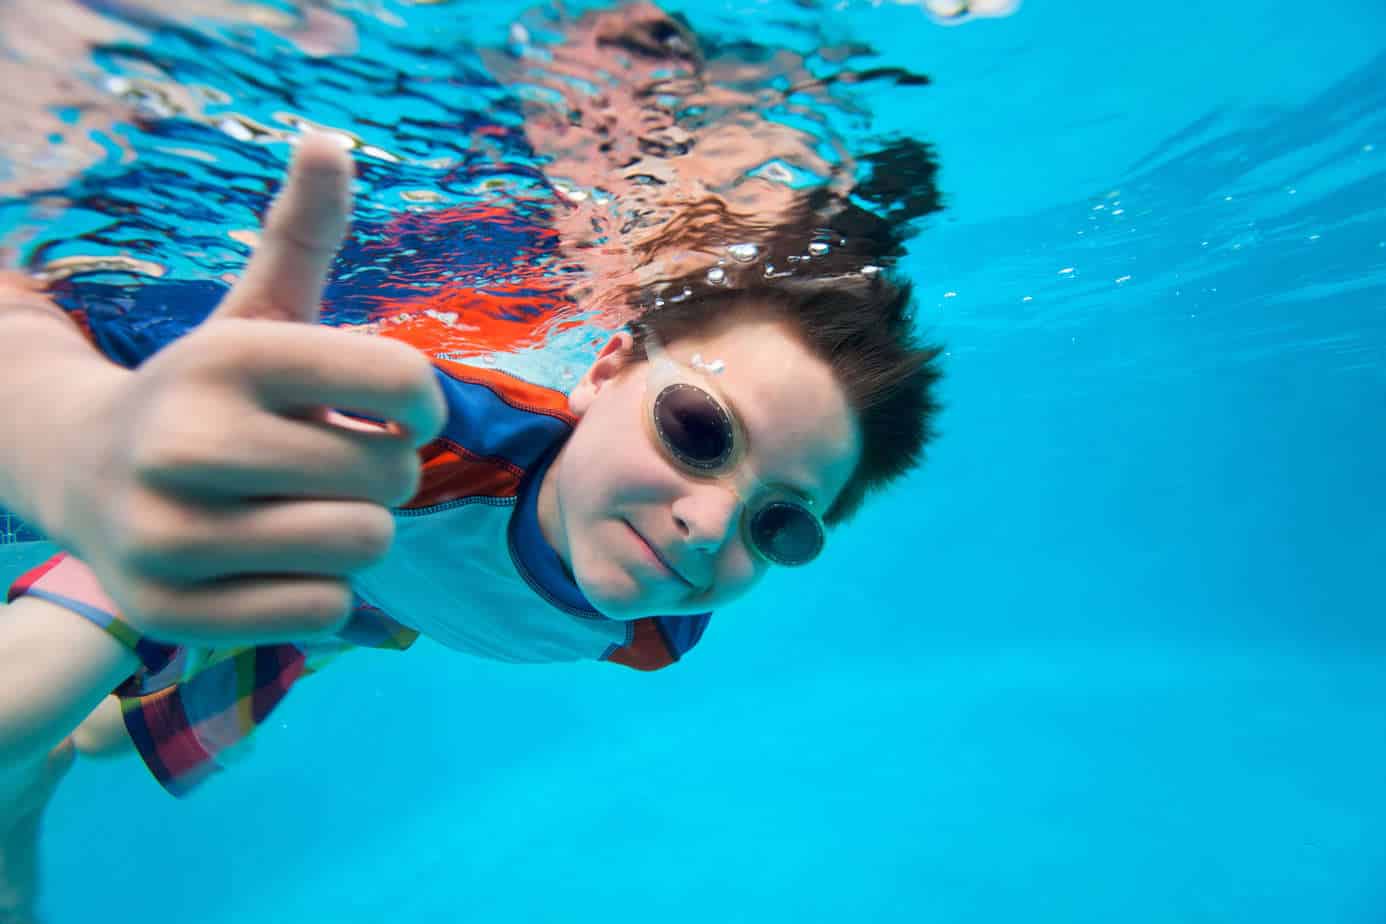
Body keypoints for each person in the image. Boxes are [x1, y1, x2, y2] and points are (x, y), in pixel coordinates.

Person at [0, 6, 949, 923]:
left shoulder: (665, 621)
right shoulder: (418, 429)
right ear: (607, 366)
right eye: (698, 432)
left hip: (361, 606)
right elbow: (174, 455)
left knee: (108, 739)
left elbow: (443, 588)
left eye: (778, 523)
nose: (711, 524)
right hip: (278, 523)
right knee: (24, 715)